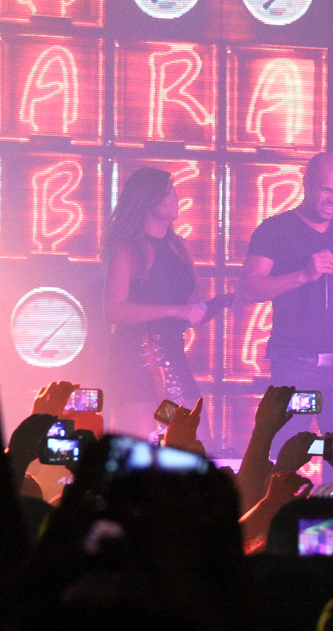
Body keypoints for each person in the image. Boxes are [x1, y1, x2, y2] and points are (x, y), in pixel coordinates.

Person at [239, 152, 333, 458]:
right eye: (326, 190)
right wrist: (303, 275)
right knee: (288, 455)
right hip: (295, 366)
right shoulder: (275, 229)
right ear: (306, 183)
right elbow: (249, 288)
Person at [102, 167, 208, 438]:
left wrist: (223, 303)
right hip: (135, 362)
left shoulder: (179, 247)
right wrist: (174, 310)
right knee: (142, 443)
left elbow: (193, 304)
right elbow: (114, 309)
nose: (176, 198)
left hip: (173, 357)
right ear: (149, 200)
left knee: (189, 436)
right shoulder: (128, 249)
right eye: (169, 193)